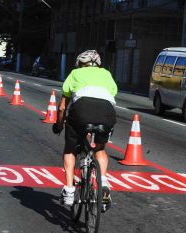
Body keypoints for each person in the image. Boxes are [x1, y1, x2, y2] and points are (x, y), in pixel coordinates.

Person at [52, 50, 117, 211]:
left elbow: (61, 108)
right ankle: (103, 184)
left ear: (80, 64)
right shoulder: (107, 74)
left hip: (81, 111)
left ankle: (68, 191)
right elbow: (112, 93)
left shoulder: (75, 74)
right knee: (100, 149)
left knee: (70, 149)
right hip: (107, 112)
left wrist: (59, 126)